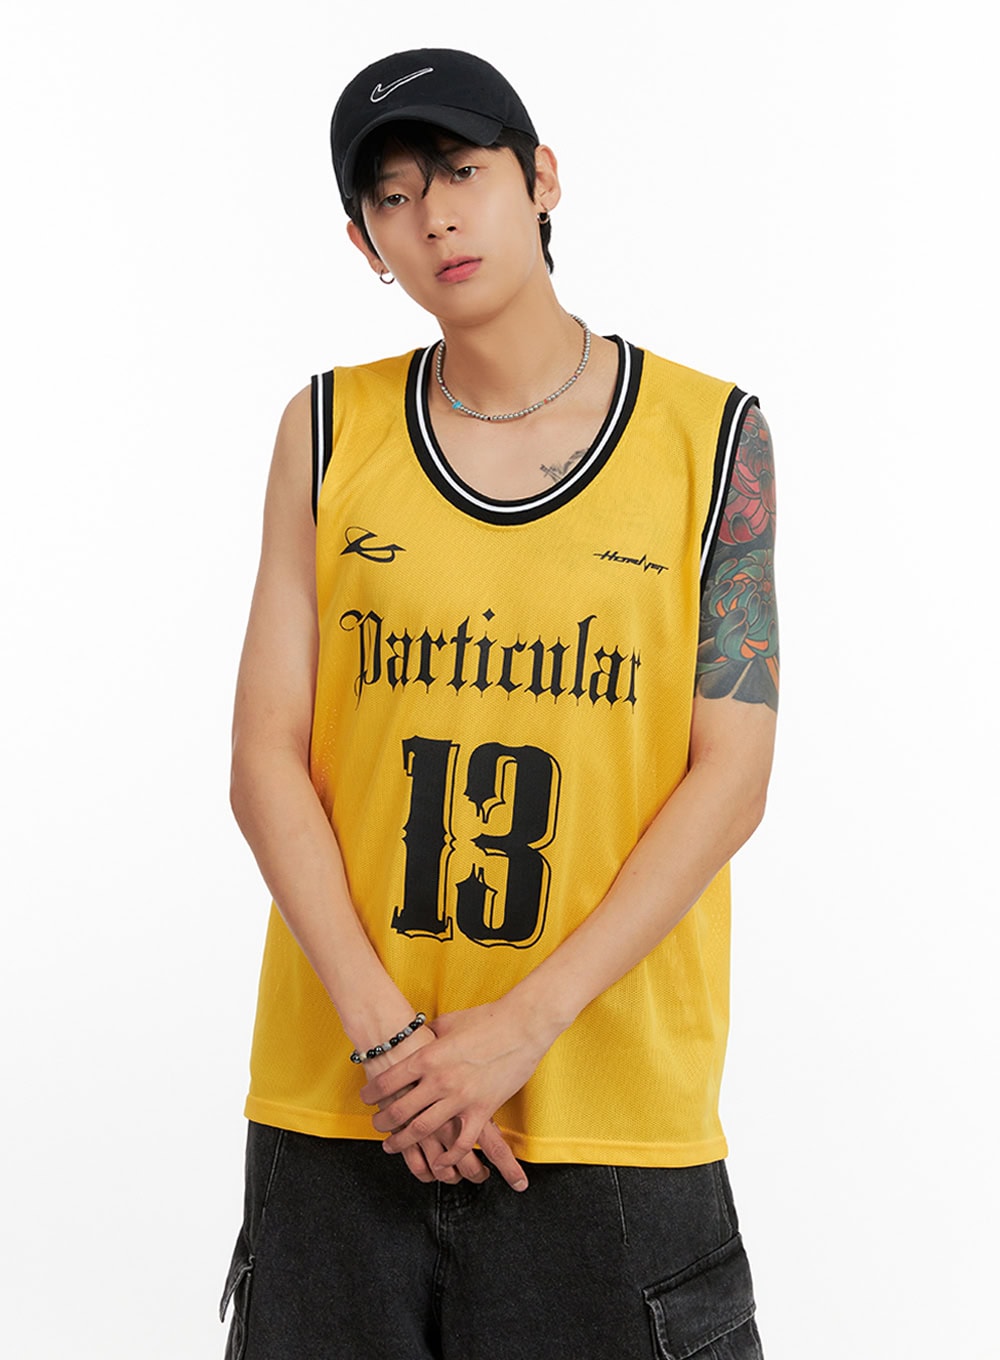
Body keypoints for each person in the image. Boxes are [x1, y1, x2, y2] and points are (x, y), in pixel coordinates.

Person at [220, 47, 778, 1360]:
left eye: (462, 171)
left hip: (607, 1119)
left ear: (542, 180)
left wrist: (521, 1029)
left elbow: (732, 776)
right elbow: (264, 756)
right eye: (394, 196)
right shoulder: (327, 430)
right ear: (365, 243)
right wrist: (391, 1047)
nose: (436, 217)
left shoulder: (711, 437)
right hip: (345, 1110)